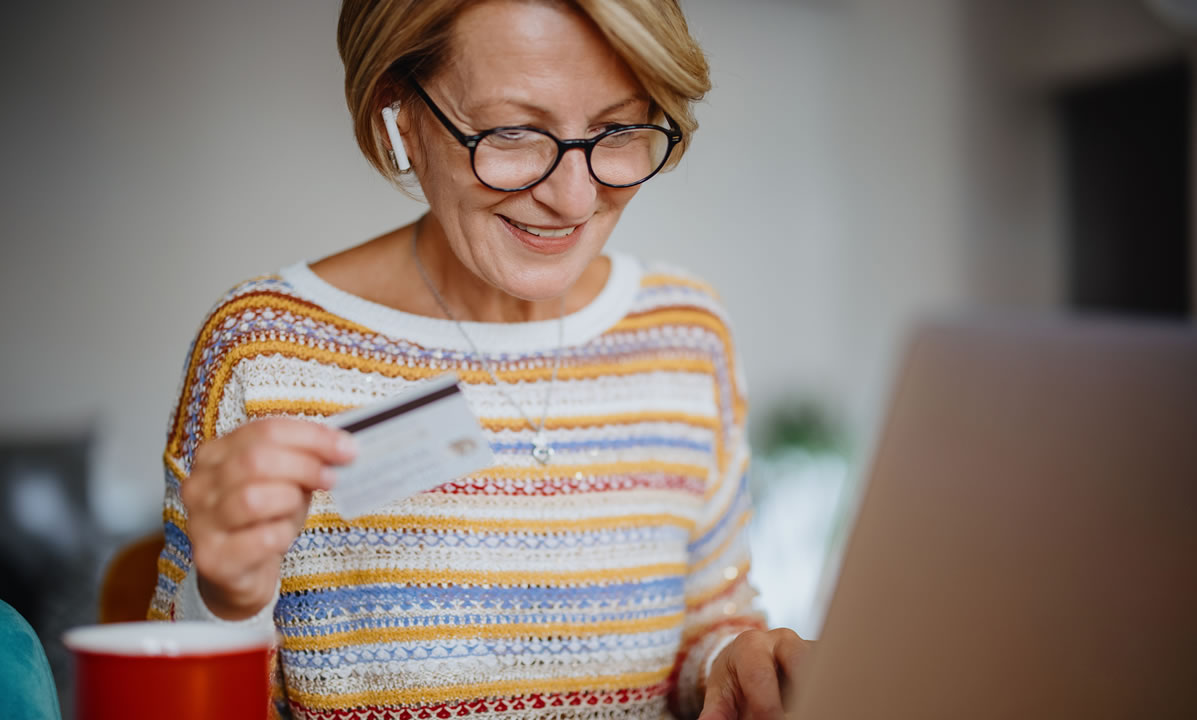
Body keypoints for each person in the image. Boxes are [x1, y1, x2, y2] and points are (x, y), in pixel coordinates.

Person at [149, 1, 809, 717]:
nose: (573, 197)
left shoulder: (684, 334)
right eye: (514, 132)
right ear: (397, 112)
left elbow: (707, 631)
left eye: (617, 128)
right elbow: (161, 703)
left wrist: (732, 662)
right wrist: (224, 606)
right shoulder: (263, 351)